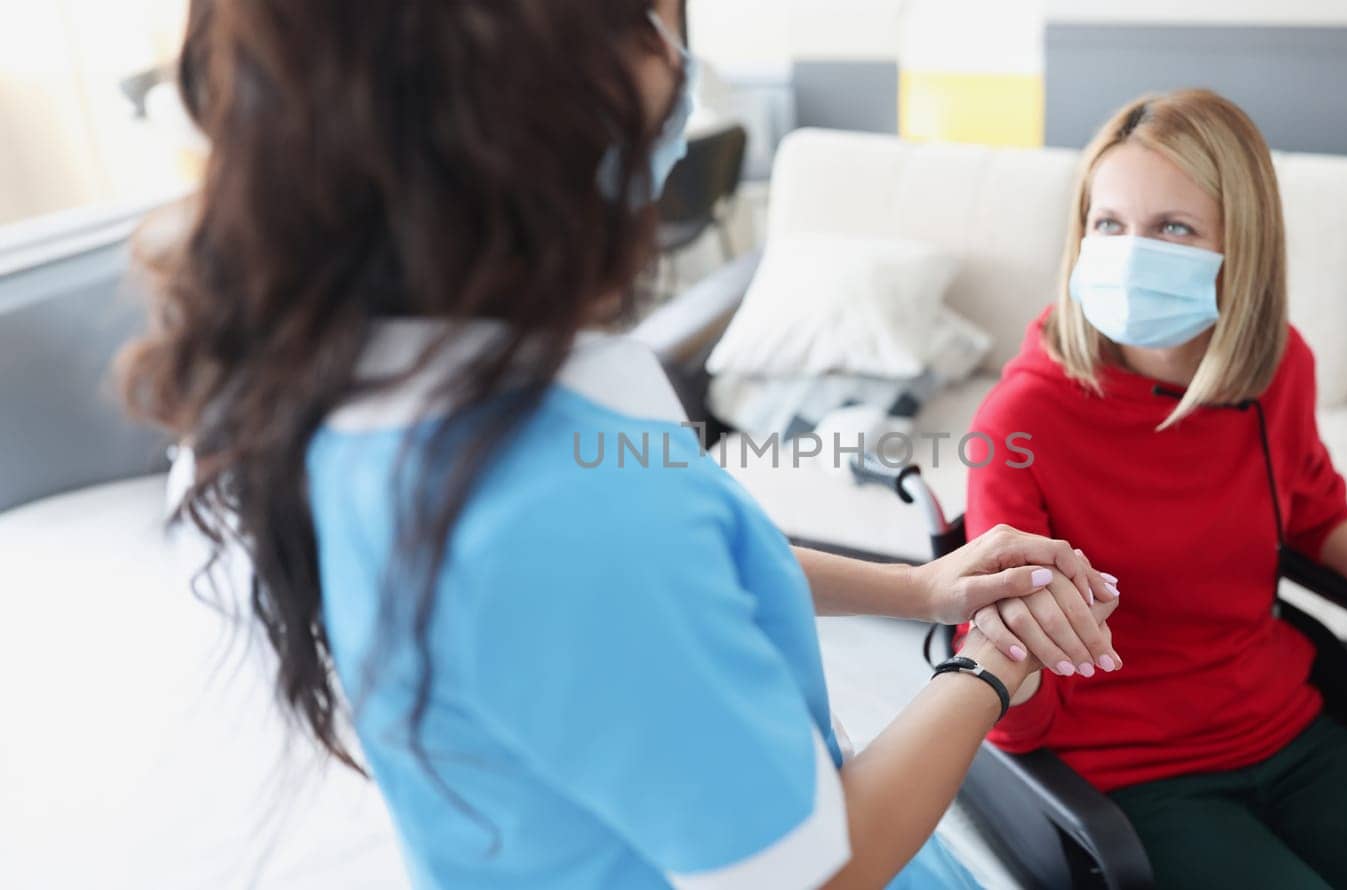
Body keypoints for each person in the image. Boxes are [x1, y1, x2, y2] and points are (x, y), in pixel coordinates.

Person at [120, 2, 1123, 887]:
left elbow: (706, 557)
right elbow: (816, 870)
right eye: (641, 17)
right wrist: (986, 667)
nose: (675, 59)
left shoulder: (359, 386)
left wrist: (919, 592)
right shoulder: (558, 510)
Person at [961, 88, 1347, 889]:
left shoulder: (1277, 368)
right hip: (1131, 771)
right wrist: (1007, 670)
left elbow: (1312, 510)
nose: (1134, 251)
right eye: (1110, 224)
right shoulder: (1020, 420)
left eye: (1174, 227)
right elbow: (1006, 677)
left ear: (1241, 246)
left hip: (1289, 733)